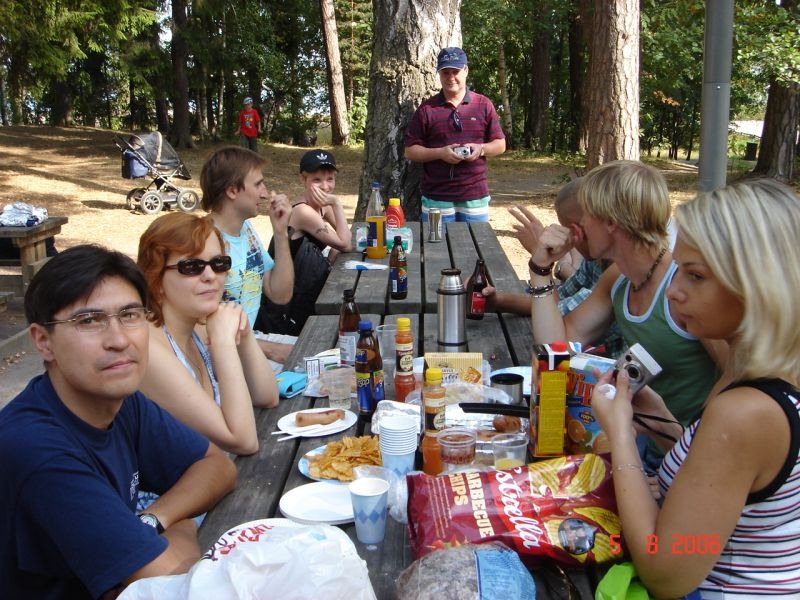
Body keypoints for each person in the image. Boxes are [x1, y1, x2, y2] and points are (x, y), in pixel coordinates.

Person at [592, 179, 800, 597]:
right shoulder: (751, 372)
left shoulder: (747, 411)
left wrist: (621, 435)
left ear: (758, 285)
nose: (673, 291)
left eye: (695, 275)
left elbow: (665, 571)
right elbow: (729, 484)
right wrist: (662, 422)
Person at [0, 245, 236, 599]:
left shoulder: (121, 402)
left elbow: (217, 466)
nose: (119, 340)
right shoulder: (36, 449)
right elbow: (168, 582)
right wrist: (184, 524)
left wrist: (153, 520)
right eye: (89, 321)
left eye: (130, 315)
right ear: (43, 341)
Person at [525, 161, 726, 464]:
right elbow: (557, 348)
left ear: (610, 222)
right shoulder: (618, 278)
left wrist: (689, 460)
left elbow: (736, 376)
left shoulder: (685, 285)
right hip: (644, 449)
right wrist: (540, 269)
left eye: (585, 216)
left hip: (691, 461)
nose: (577, 228)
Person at [137, 212, 279, 457]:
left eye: (219, 264)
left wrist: (244, 334)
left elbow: (267, 396)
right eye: (191, 267)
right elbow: (244, 441)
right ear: (156, 278)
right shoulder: (149, 350)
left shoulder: (198, 324)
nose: (210, 276)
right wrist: (223, 343)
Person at [483, 178, 625, 357]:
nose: (570, 239)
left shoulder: (623, 273)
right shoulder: (599, 264)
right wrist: (497, 300)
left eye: (572, 229)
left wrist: (541, 262)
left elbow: (556, 318)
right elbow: (558, 302)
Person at [200, 146, 294, 365]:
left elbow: (280, 294)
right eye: (258, 184)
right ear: (232, 191)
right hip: (221, 358)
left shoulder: (246, 230)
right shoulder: (204, 242)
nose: (265, 193)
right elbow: (199, 330)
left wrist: (280, 232)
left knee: (326, 352)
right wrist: (270, 349)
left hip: (250, 341)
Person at [255, 149, 352, 336]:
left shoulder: (321, 207)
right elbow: (345, 244)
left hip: (303, 289)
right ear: (303, 179)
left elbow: (345, 237)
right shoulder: (302, 211)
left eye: (330, 179)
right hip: (283, 309)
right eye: (317, 180)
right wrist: (337, 204)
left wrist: (336, 246)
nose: (325, 186)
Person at [404, 46, 506, 223]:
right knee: (436, 242)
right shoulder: (427, 109)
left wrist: (480, 149)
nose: (451, 77)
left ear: (466, 70)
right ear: (439, 74)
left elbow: (500, 144)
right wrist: (440, 153)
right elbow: (410, 151)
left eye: (455, 71)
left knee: (474, 241)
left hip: (475, 197)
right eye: (445, 72)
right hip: (436, 197)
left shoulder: (483, 104)